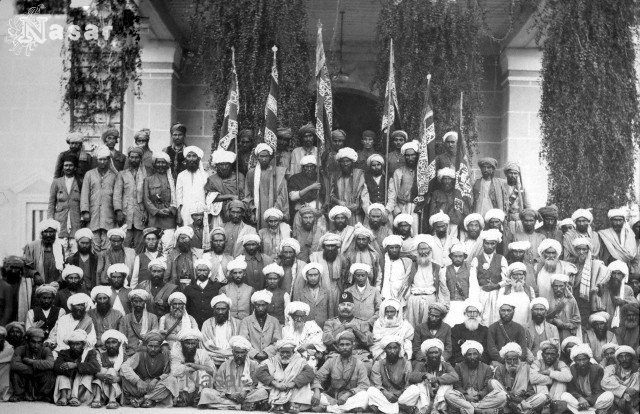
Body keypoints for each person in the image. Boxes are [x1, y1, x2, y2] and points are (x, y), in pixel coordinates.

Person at [199, 335, 268, 410]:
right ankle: (241, 406)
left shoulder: (253, 365)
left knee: (262, 392)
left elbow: (255, 383)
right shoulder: (225, 365)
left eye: (242, 353)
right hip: (228, 396)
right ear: (232, 352)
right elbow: (218, 385)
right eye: (237, 352)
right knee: (205, 392)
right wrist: (230, 395)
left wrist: (246, 391)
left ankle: (228, 406)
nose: (239, 355)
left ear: (246, 353)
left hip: (246, 395)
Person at [313, 331, 372, 414]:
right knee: (311, 393)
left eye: (348, 344)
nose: (345, 347)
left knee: (364, 395)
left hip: (350, 399)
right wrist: (316, 392)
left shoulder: (359, 364)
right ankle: (343, 409)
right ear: (338, 347)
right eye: (342, 345)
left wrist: (348, 394)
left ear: (353, 346)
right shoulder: (331, 361)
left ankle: (332, 409)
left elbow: (364, 385)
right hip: (332, 399)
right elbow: (318, 378)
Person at [445, 340, 508, 414]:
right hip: (463, 398)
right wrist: (466, 395)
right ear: (465, 356)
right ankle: (479, 410)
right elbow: (457, 385)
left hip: (482, 399)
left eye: (475, 354)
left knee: (502, 395)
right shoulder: (459, 367)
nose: (472, 357)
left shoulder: (487, 368)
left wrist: (479, 395)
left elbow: (486, 387)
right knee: (448, 394)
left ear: (479, 355)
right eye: (469, 354)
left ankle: (471, 409)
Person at [397, 338, 458, 414]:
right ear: (426, 354)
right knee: (419, 385)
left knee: (447, 381)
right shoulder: (421, 364)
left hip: (439, 394)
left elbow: (455, 376)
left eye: (436, 352)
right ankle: (422, 409)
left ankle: (436, 408)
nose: (434, 355)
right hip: (425, 392)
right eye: (431, 353)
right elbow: (412, 376)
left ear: (440, 353)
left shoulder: (445, 364)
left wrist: (437, 379)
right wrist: (425, 375)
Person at [257, 337, 316, 413]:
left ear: (293, 352)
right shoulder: (272, 360)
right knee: (262, 388)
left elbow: (309, 373)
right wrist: (275, 383)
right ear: (279, 352)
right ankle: (278, 404)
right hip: (276, 387)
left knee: (304, 386)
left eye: (287, 352)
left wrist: (293, 383)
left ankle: (291, 404)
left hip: (292, 387)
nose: (285, 355)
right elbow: (260, 372)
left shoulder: (300, 361)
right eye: (282, 352)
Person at [404, 235, 449, 326]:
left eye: (425, 249)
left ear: (430, 250)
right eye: (421, 249)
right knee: (412, 326)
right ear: (417, 251)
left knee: (428, 326)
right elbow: (405, 284)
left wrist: (444, 303)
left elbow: (443, 287)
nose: (423, 252)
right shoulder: (412, 266)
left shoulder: (437, 267)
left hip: (430, 301)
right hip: (413, 301)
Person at [119, 331, 173, 407]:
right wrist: (137, 381)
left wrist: (156, 379)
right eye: (150, 346)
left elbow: (167, 373)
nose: (153, 349)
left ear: (160, 347)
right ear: (146, 345)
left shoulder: (164, 356)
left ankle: (143, 399)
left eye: (156, 346)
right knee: (124, 376)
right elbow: (124, 367)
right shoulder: (139, 355)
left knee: (171, 380)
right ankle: (152, 399)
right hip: (140, 387)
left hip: (156, 386)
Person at [492, 342, 548, 414]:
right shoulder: (499, 369)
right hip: (507, 401)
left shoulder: (526, 368)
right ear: (505, 359)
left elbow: (531, 390)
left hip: (523, 401)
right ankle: (520, 410)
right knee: (494, 383)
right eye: (509, 359)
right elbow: (501, 391)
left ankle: (518, 409)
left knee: (542, 397)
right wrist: (517, 400)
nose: (512, 362)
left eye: (515, 359)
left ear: (518, 359)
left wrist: (522, 397)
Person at [80, 146, 117, 252]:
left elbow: (117, 195)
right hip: (93, 215)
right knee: (93, 244)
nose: (102, 162)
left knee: (108, 244)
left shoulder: (114, 176)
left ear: (108, 160)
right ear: (97, 160)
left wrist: (117, 212)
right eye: (100, 159)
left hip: (108, 214)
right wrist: (85, 211)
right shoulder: (89, 174)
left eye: (105, 159)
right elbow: (84, 194)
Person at [244, 143, 289, 227]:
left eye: (266, 156)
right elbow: (248, 195)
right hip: (257, 210)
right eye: (261, 156)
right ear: (257, 157)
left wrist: (275, 211)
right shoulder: (251, 173)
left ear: (270, 157)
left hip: (275, 209)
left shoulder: (278, 172)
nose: (264, 159)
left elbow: (283, 195)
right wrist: (252, 211)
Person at [168, 328, 216, 407]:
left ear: (197, 344)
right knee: (173, 378)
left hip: (197, 387)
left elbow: (211, 370)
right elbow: (175, 371)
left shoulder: (203, 353)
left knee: (202, 374)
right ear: (182, 343)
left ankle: (199, 399)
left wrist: (193, 365)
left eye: (193, 344)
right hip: (182, 385)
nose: (190, 346)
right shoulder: (176, 354)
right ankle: (182, 399)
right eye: (187, 343)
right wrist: (198, 368)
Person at [322, 291, 374, 364]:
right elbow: (326, 340)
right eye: (343, 304)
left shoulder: (362, 323)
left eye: (349, 305)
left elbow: (369, 341)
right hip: (336, 354)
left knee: (366, 364)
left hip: (357, 354)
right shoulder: (330, 322)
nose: (345, 307)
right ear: (338, 308)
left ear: (353, 308)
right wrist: (342, 328)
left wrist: (356, 330)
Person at [562, 343, 615, 414]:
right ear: (574, 361)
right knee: (564, 396)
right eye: (579, 360)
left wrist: (587, 401)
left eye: (584, 359)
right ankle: (593, 411)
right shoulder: (572, 369)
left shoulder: (597, 369)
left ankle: (582, 411)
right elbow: (571, 389)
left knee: (609, 395)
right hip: (579, 401)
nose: (582, 363)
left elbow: (598, 390)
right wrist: (580, 398)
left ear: (589, 359)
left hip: (593, 400)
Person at [52, 329, 100, 407]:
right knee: (61, 376)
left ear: (83, 345)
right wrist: (72, 370)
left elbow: (96, 367)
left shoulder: (89, 353)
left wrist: (75, 366)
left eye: (78, 344)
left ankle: (75, 397)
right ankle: (63, 397)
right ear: (69, 344)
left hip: (80, 388)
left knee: (85, 375)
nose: (74, 347)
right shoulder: (64, 353)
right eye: (72, 344)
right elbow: (56, 367)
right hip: (67, 385)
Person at [469, 228, 507, 325]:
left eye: (492, 243)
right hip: (481, 294)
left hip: (497, 294)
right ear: (483, 243)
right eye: (487, 243)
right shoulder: (476, 259)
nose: (489, 246)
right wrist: (475, 298)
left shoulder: (501, 259)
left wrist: (497, 286)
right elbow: (473, 281)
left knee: (496, 318)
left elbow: (506, 279)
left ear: (496, 244)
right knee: (482, 319)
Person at [367, 335, 412, 414]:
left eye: (395, 348)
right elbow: (377, 385)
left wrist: (401, 392)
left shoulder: (406, 363)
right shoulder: (378, 364)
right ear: (385, 350)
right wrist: (386, 393)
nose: (392, 351)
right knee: (371, 391)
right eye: (389, 348)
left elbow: (408, 383)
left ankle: (385, 408)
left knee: (415, 389)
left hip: (401, 396)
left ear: (399, 349)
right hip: (385, 396)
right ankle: (399, 407)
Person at [114, 146, 148, 251]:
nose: (134, 160)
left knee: (139, 245)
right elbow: (117, 194)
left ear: (140, 159)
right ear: (128, 158)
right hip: (126, 213)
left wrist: (146, 212)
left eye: (136, 157)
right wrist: (118, 211)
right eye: (131, 157)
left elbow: (147, 196)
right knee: (125, 243)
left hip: (140, 213)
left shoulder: (145, 174)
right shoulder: (122, 174)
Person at [570, 237, 609, 329]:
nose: (581, 252)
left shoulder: (596, 265)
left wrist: (597, 287)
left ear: (588, 250)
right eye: (579, 249)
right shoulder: (571, 264)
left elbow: (604, 278)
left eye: (584, 249)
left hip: (589, 299)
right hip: (574, 297)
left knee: (587, 325)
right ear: (575, 251)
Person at [143, 151, 177, 253]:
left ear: (167, 165)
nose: (160, 165)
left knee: (168, 247)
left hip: (169, 218)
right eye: (158, 162)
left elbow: (177, 198)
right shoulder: (148, 180)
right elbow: (146, 199)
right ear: (154, 164)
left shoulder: (173, 180)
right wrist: (157, 211)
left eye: (163, 162)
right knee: (152, 247)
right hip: (154, 219)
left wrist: (170, 210)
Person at [48, 153, 82, 256]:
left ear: (75, 167)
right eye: (66, 165)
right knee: (60, 253)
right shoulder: (57, 182)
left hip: (75, 221)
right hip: (60, 221)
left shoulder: (80, 182)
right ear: (62, 167)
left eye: (70, 165)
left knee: (75, 252)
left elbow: (84, 202)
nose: (68, 168)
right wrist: (50, 220)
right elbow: (51, 202)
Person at [9, 327, 55, 402]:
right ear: (28, 341)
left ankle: (43, 395)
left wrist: (31, 362)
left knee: (50, 373)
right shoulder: (20, 349)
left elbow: (50, 364)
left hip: (39, 377)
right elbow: (14, 364)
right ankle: (18, 394)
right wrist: (31, 369)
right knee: (15, 372)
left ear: (42, 343)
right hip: (26, 375)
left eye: (39, 343)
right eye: (33, 342)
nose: (36, 345)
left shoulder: (46, 350)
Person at [329, 147, 370, 224]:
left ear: (352, 162)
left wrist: (358, 205)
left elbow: (364, 194)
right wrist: (338, 202)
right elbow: (331, 195)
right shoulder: (335, 176)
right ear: (339, 163)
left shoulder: (359, 174)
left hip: (355, 214)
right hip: (340, 214)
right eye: (343, 161)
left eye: (348, 161)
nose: (345, 164)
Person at [309, 233, 349, 312]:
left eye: (333, 246)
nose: (330, 248)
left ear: (337, 247)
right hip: (320, 291)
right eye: (328, 246)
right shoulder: (314, 257)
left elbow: (344, 276)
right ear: (323, 246)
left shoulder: (341, 258)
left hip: (336, 292)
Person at [239, 290, 282, 362]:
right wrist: (255, 354)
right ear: (254, 306)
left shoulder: (274, 321)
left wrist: (266, 353)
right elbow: (243, 341)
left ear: (267, 305)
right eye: (258, 305)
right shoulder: (246, 321)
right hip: (251, 359)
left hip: (270, 359)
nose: (260, 308)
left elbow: (277, 342)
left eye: (263, 305)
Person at [386, 141, 419, 235]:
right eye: (407, 155)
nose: (410, 158)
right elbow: (393, 193)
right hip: (402, 207)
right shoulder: (398, 172)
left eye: (412, 155)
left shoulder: (421, 172)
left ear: (416, 156)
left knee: (415, 233)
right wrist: (397, 210)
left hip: (417, 208)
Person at [529, 340, 573, 411]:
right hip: (542, 393)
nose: (549, 357)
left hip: (556, 392)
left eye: (552, 354)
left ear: (557, 355)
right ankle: (546, 405)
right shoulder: (537, 363)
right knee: (540, 384)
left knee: (561, 383)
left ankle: (554, 404)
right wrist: (553, 379)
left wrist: (549, 372)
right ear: (542, 355)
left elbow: (568, 377)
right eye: (547, 354)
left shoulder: (560, 363)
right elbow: (533, 378)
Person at [426, 167, 471, 235]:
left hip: (454, 224)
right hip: (440, 223)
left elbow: (462, 210)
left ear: (452, 181)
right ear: (441, 181)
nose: (447, 181)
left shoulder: (457, 193)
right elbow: (432, 212)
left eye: (449, 179)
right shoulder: (436, 193)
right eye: (445, 179)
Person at [205, 148, 245, 223]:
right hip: (219, 214)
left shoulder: (239, 176)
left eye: (227, 164)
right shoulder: (212, 179)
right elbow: (210, 197)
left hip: (237, 212)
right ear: (216, 166)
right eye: (221, 165)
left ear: (231, 165)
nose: (224, 167)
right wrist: (230, 196)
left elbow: (243, 194)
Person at [90, 329, 127, 408]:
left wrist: (117, 378)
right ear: (105, 344)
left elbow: (126, 375)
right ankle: (97, 398)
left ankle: (112, 399)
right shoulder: (100, 355)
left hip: (117, 389)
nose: (111, 345)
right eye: (108, 342)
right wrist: (102, 376)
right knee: (102, 370)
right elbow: (95, 370)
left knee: (111, 370)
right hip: (102, 385)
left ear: (119, 344)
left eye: (114, 342)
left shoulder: (124, 357)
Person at [200, 293, 240, 365]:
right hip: (211, 359)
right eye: (218, 309)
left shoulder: (237, 324)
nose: (220, 312)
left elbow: (239, 344)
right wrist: (223, 354)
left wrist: (228, 353)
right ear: (214, 310)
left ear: (228, 309)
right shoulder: (207, 324)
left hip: (233, 359)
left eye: (223, 309)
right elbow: (205, 344)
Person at [486, 297, 528, 364]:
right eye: (503, 310)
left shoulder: (519, 328)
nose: (506, 313)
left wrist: (516, 361)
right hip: (499, 362)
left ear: (513, 311)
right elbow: (491, 349)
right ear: (499, 311)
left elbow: (523, 349)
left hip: (517, 362)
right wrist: (504, 361)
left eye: (509, 310)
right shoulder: (492, 328)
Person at [596, 261, 636, 329]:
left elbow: (635, 306)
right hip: (606, 325)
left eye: (619, 274)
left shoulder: (627, 289)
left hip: (622, 325)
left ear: (623, 276)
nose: (615, 276)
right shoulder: (604, 288)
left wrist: (623, 302)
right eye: (613, 273)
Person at [535, 238, 578, 302]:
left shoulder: (566, 267)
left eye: (553, 253)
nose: (551, 256)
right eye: (548, 253)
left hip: (560, 304)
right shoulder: (537, 268)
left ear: (557, 254)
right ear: (543, 254)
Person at [183, 259, 222, 328]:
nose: (202, 273)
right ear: (195, 271)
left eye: (204, 270)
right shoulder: (189, 288)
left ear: (209, 271)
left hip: (212, 324)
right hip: (194, 324)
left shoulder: (216, 286)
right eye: (199, 270)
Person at [23, 218, 65, 284]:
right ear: (41, 233)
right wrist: (35, 274)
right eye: (45, 232)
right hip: (38, 285)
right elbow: (25, 268)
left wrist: (58, 282)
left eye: (51, 232)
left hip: (55, 285)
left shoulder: (59, 247)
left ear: (55, 233)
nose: (48, 235)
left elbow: (63, 268)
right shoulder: (31, 246)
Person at [175, 145, 208, 227]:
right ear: (186, 159)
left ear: (198, 159)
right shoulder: (181, 175)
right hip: (185, 211)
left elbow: (207, 196)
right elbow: (178, 197)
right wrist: (179, 215)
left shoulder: (205, 175)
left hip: (200, 213)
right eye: (189, 156)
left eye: (194, 156)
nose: (191, 159)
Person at [600, 346, 639, 414]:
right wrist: (625, 390)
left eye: (627, 356)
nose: (624, 359)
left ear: (632, 358)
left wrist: (626, 396)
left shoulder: (637, 369)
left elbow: (634, 391)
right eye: (621, 357)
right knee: (612, 379)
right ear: (618, 359)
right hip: (617, 399)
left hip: (634, 400)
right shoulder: (611, 368)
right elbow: (604, 383)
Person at [120, 289, 159, 357]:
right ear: (132, 303)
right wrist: (123, 355)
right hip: (130, 353)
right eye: (135, 301)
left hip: (147, 354)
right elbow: (122, 340)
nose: (138, 304)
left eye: (141, 301)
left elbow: (155, 338)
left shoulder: (153, 318)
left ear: (145, 302)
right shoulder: (125, 319)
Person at [496, 262, 536, 326]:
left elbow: (533, 308)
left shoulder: (529, 290)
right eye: (515, 275)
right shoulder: (503, 290)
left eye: (520, 274)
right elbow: (498, 309)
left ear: (524, 276)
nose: (518, 277)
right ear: (510, 276)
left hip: (525, 325)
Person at [442, 244, 472, 327]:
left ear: (464, 257)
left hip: (464, 303)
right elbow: (443, 289)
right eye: (455, 256)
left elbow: (473, 288)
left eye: (460, 256)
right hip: (450, 304)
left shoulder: (470, 270)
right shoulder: (445, 270)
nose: (458, 259)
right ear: (451, 257)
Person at [344, 224, 383, 288]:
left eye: (364, 239)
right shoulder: (350, 254)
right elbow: (346, 274)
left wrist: (377, 287)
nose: (361, 242)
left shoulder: (374, 255)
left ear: (368, 240)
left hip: (370, 288)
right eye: (359, 239)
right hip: (353, 288)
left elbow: (378, 273)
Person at [293, 262, 331, 328]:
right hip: (306, 328)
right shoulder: (300, 293)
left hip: (323, 328)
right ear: (306, 276)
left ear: (319, 276)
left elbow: (331, 314)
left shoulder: (326, 292)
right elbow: (296, 315)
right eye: (310, 275)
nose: (313, 278)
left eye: (315, 275)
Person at [547, 273, 582, 341]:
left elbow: (577, 321)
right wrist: (553, 321)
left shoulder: (571, 301)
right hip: (552, 334)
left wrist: (563, 325)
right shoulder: (548, 302)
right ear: (552, 286)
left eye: (561, 286)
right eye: (556, 286)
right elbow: (545, 319)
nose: (558, 289)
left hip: (568, 333)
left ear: (565, 286)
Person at [381, 235, 415, 302]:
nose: (394, 250)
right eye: (391, 248)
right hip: (386, 296)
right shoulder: (383, 263)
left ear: (400, 248)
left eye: (396, 247)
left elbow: (408, 280)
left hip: (403, 296)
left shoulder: (406, 261)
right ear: (387, 249)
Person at [0, 326, 13, 401]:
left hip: (3, 370)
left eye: (0, 337)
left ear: (4, 338)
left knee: (7, 366)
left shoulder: (9, 348)